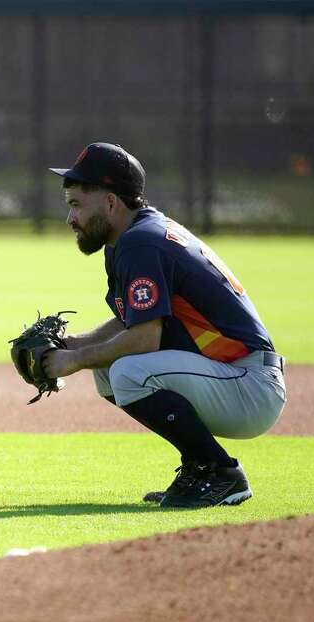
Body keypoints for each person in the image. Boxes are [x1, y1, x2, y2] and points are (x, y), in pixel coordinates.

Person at [43, 143, 287, 508]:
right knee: (108, 368)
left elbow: (145, 338)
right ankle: (198, 468)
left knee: (127, 371)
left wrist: (75, 360)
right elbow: (131, 321)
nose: (70, 218)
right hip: (231, 377)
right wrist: (71, 346)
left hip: (249, 385)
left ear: (110, 202)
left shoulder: (141, 243)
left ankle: (220, 471)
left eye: (76, 205)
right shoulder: (133, 236)